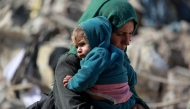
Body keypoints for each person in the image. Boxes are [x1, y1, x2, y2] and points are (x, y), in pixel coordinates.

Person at [53, 0, 149, 109]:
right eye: (120, 34)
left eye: (130, 34)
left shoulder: (119, 59)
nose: (127, 42)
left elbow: (130, 90)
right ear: (102, 32)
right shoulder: (69, 64)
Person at [63, 16, 136, 109]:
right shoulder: (116, 53)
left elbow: (85, 78)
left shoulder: (98, 54)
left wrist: (72, 82)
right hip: (127, 100)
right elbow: (132, 77)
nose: (78, 50)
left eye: (82, 44)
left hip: (108, 103)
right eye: (76, 47)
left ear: (96, 39)